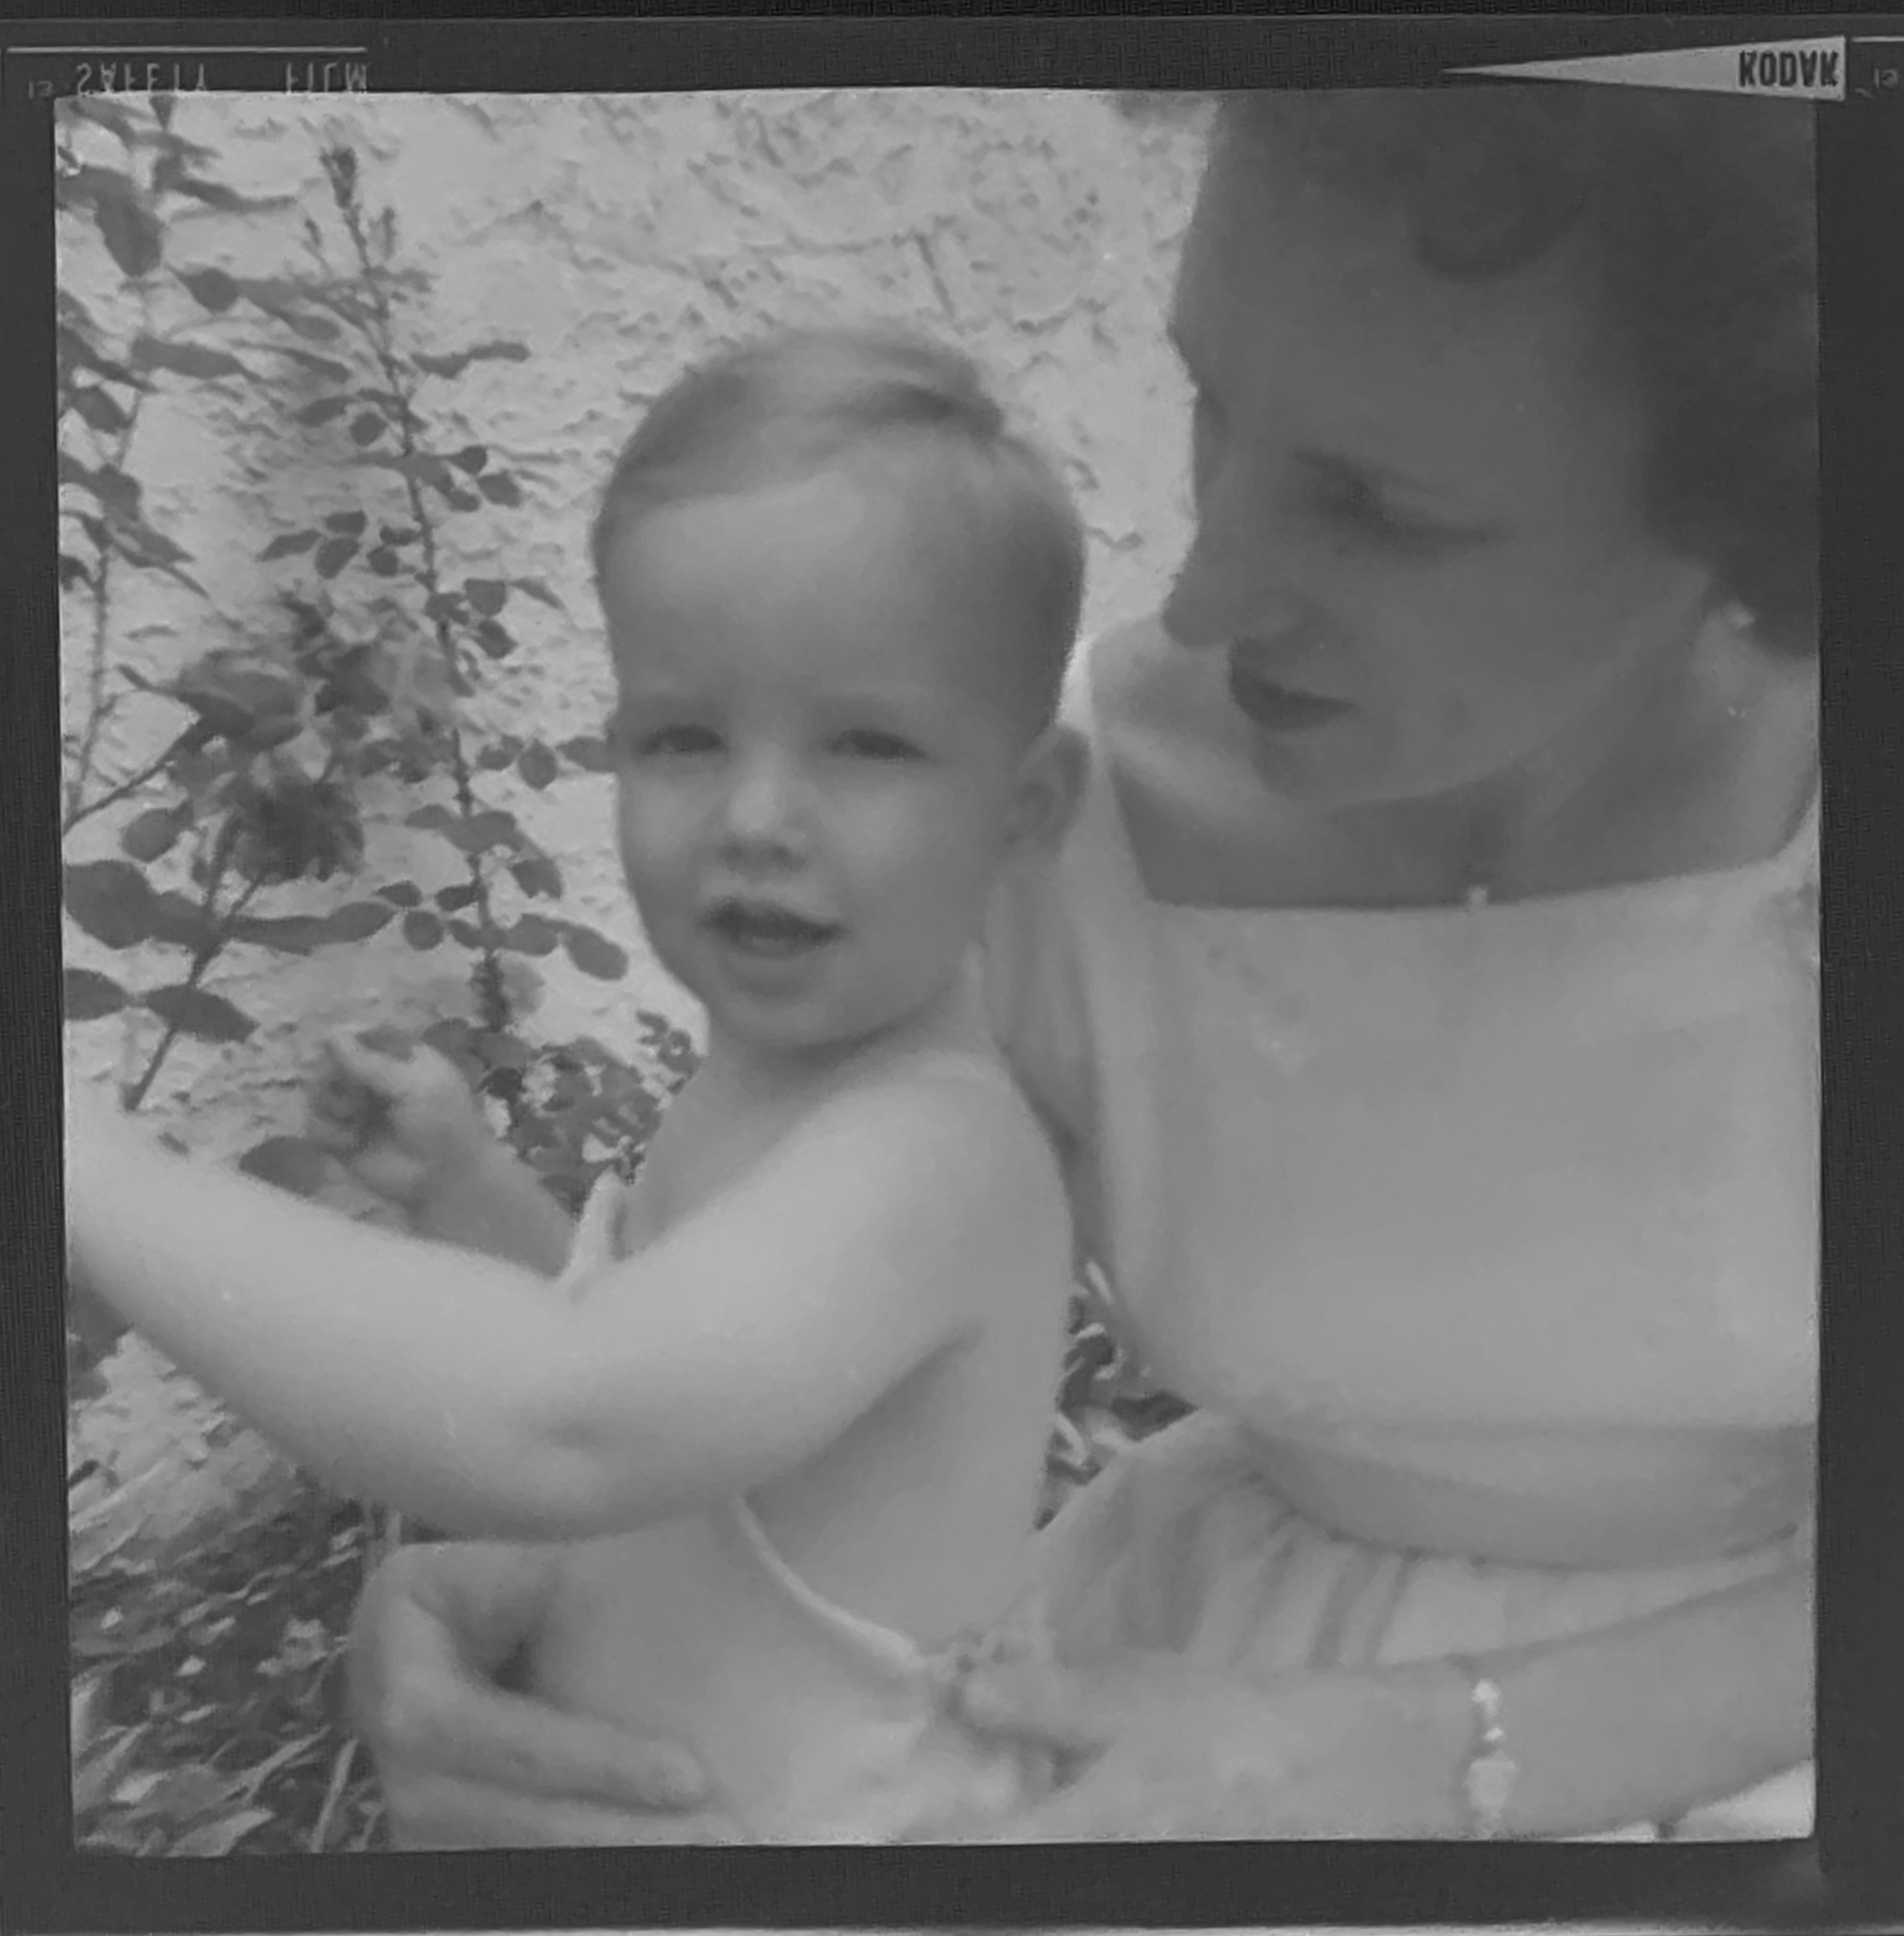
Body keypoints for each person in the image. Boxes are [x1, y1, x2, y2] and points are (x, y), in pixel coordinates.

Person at [342, 83, 1821, 1844]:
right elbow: (804, 1366)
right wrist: (557, 1583)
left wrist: (1405, 1753)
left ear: (1753, 511)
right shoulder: (1048, 821)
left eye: (1375, 507)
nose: (1196, 598)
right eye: (1211, 407)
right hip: (1183, 1675)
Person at [64, 325, 1097, 1843]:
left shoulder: (927, 1153)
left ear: (1023, 810)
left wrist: (92, 1167)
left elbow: (568, 1424)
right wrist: (470, 1192)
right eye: (683, 735)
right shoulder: (771, 1092)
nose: (755, 815)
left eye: (865, 745)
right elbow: (664, 1411)